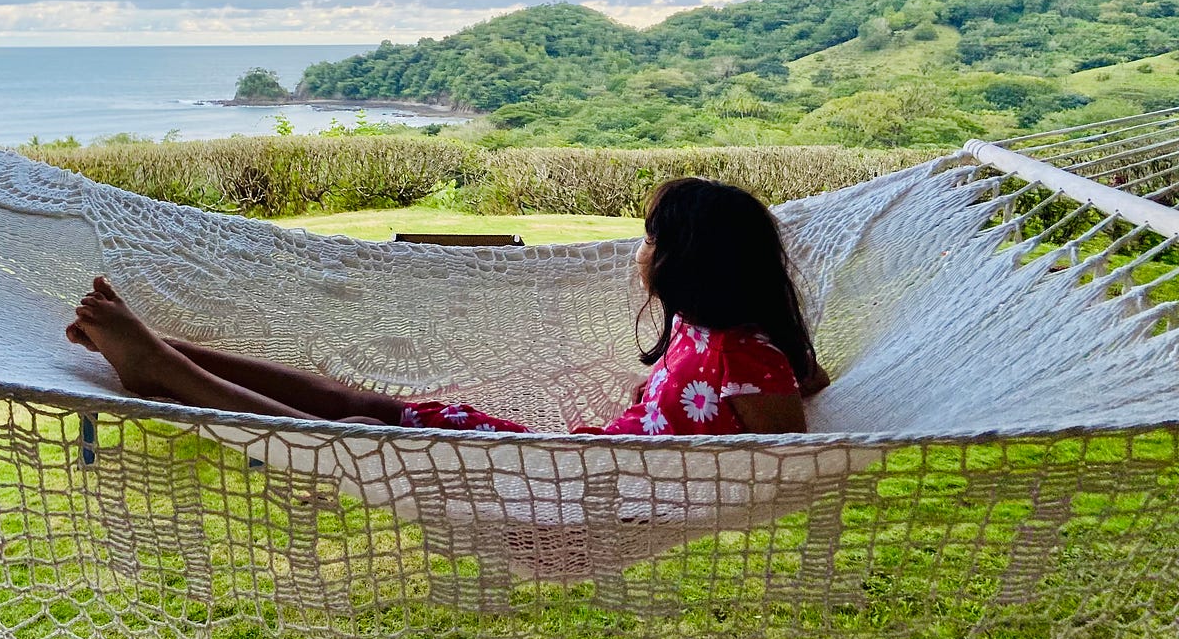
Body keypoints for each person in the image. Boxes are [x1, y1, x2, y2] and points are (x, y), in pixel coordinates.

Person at [65, 177, 829, 436]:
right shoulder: (708, 332)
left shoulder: (745, 355)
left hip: (569, 491)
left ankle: (159, 364)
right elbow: (744, 399)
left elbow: (780, 456)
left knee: (359, 428)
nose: (639, 252)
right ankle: (173, 356)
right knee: (362, 405)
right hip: (566, 459)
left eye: (649, 240)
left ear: (690, 264)